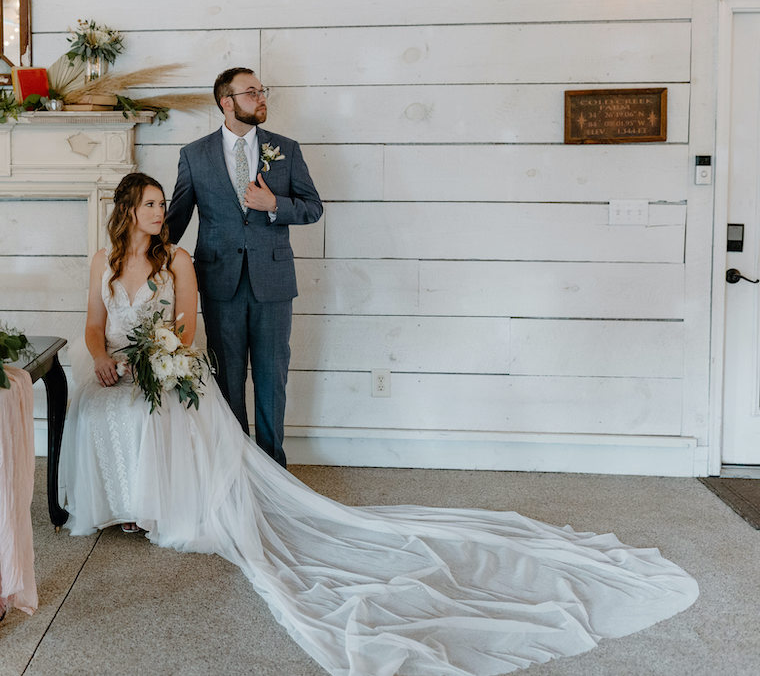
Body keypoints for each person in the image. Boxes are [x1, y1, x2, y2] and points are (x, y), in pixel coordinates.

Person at [61, 171, 698, 676]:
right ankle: (121, 502)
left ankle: (156, 506)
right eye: (147, 204)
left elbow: (188, 327)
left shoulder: (180, 262)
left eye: (158, 203)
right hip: (118, 362)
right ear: (126, 212)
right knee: (97, 402)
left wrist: (159, 356)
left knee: (162, 405)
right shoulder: (102, 262)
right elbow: (94, 323)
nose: (157, 211)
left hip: (169, 365)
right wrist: (103, 357)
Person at [165, 67, 322, 466]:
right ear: (226, 102)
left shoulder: (286, 149)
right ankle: (237, 469)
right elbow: (177, 220)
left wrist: (275, 207)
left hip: (273, 282)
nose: (261, 97)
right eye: (251, 92)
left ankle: (274, 472)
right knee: (227, 380)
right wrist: (141, 259)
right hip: (220, 284)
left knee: (272, 380)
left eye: (262, 91)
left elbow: (312, 208)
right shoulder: (194, 155)